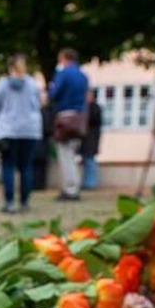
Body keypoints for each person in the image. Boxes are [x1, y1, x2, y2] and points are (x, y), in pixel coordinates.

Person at [0, 54, 43, 213]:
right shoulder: (32, 84)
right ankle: (24, 201)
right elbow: (37, 105)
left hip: (8, 129)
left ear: (10, 67)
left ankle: (9, 202)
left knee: (8, 166)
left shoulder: (2, 85)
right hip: (29, 130)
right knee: (26, 166)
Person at [49, 48, 89, 201]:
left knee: (65, 154)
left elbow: (54, 93)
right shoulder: (83, 75)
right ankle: (74, 186)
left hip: (65, 115)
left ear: (64, 58)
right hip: (79, 116)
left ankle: (70, 188)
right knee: (72, 153)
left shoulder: (63, 73)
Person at [81, 89, 102, 190]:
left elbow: (92, 120)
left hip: (91, 139)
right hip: (87, 140)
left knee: (90, 161)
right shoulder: (88, 107)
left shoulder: (94, 108)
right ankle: (87, 182)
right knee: (86, 161)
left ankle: (90, 183)